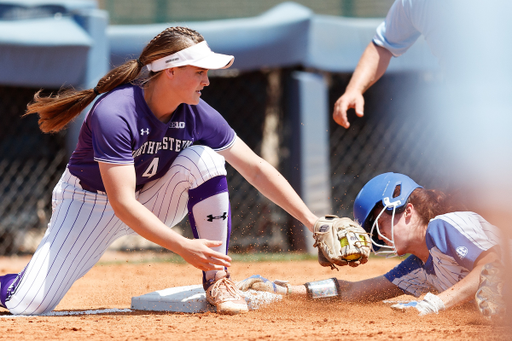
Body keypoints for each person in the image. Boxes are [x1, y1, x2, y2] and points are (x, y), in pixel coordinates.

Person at [0, 26, 320, 316]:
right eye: (198, 71)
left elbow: (256, 169)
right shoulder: (116, 111)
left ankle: (218, 279)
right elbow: (122, 203)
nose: (206, 81)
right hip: (89, 204)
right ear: (169, 71)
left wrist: (314, 221)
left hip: (152, 199)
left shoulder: (197, 113)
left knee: (204, 159)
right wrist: (183, 246)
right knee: (28, 304)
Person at [238, 172, 506, 318]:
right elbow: (354, 292)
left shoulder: (445, 226)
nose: (377, 236)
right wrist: (282, 289)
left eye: (379, 223)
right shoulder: (419, 267)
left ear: (408, 210)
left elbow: (492, 264)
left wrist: (435, 303)